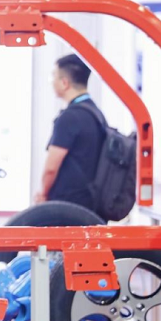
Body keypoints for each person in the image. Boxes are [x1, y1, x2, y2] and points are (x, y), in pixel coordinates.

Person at [34, 53, 105, 211]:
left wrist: (43, 194)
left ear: (64, 83)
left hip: (67, 206)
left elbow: (51, 168)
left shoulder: (69, 117)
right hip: (90, 204)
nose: (51, 82)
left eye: (54, 76)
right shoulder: (96, 114)